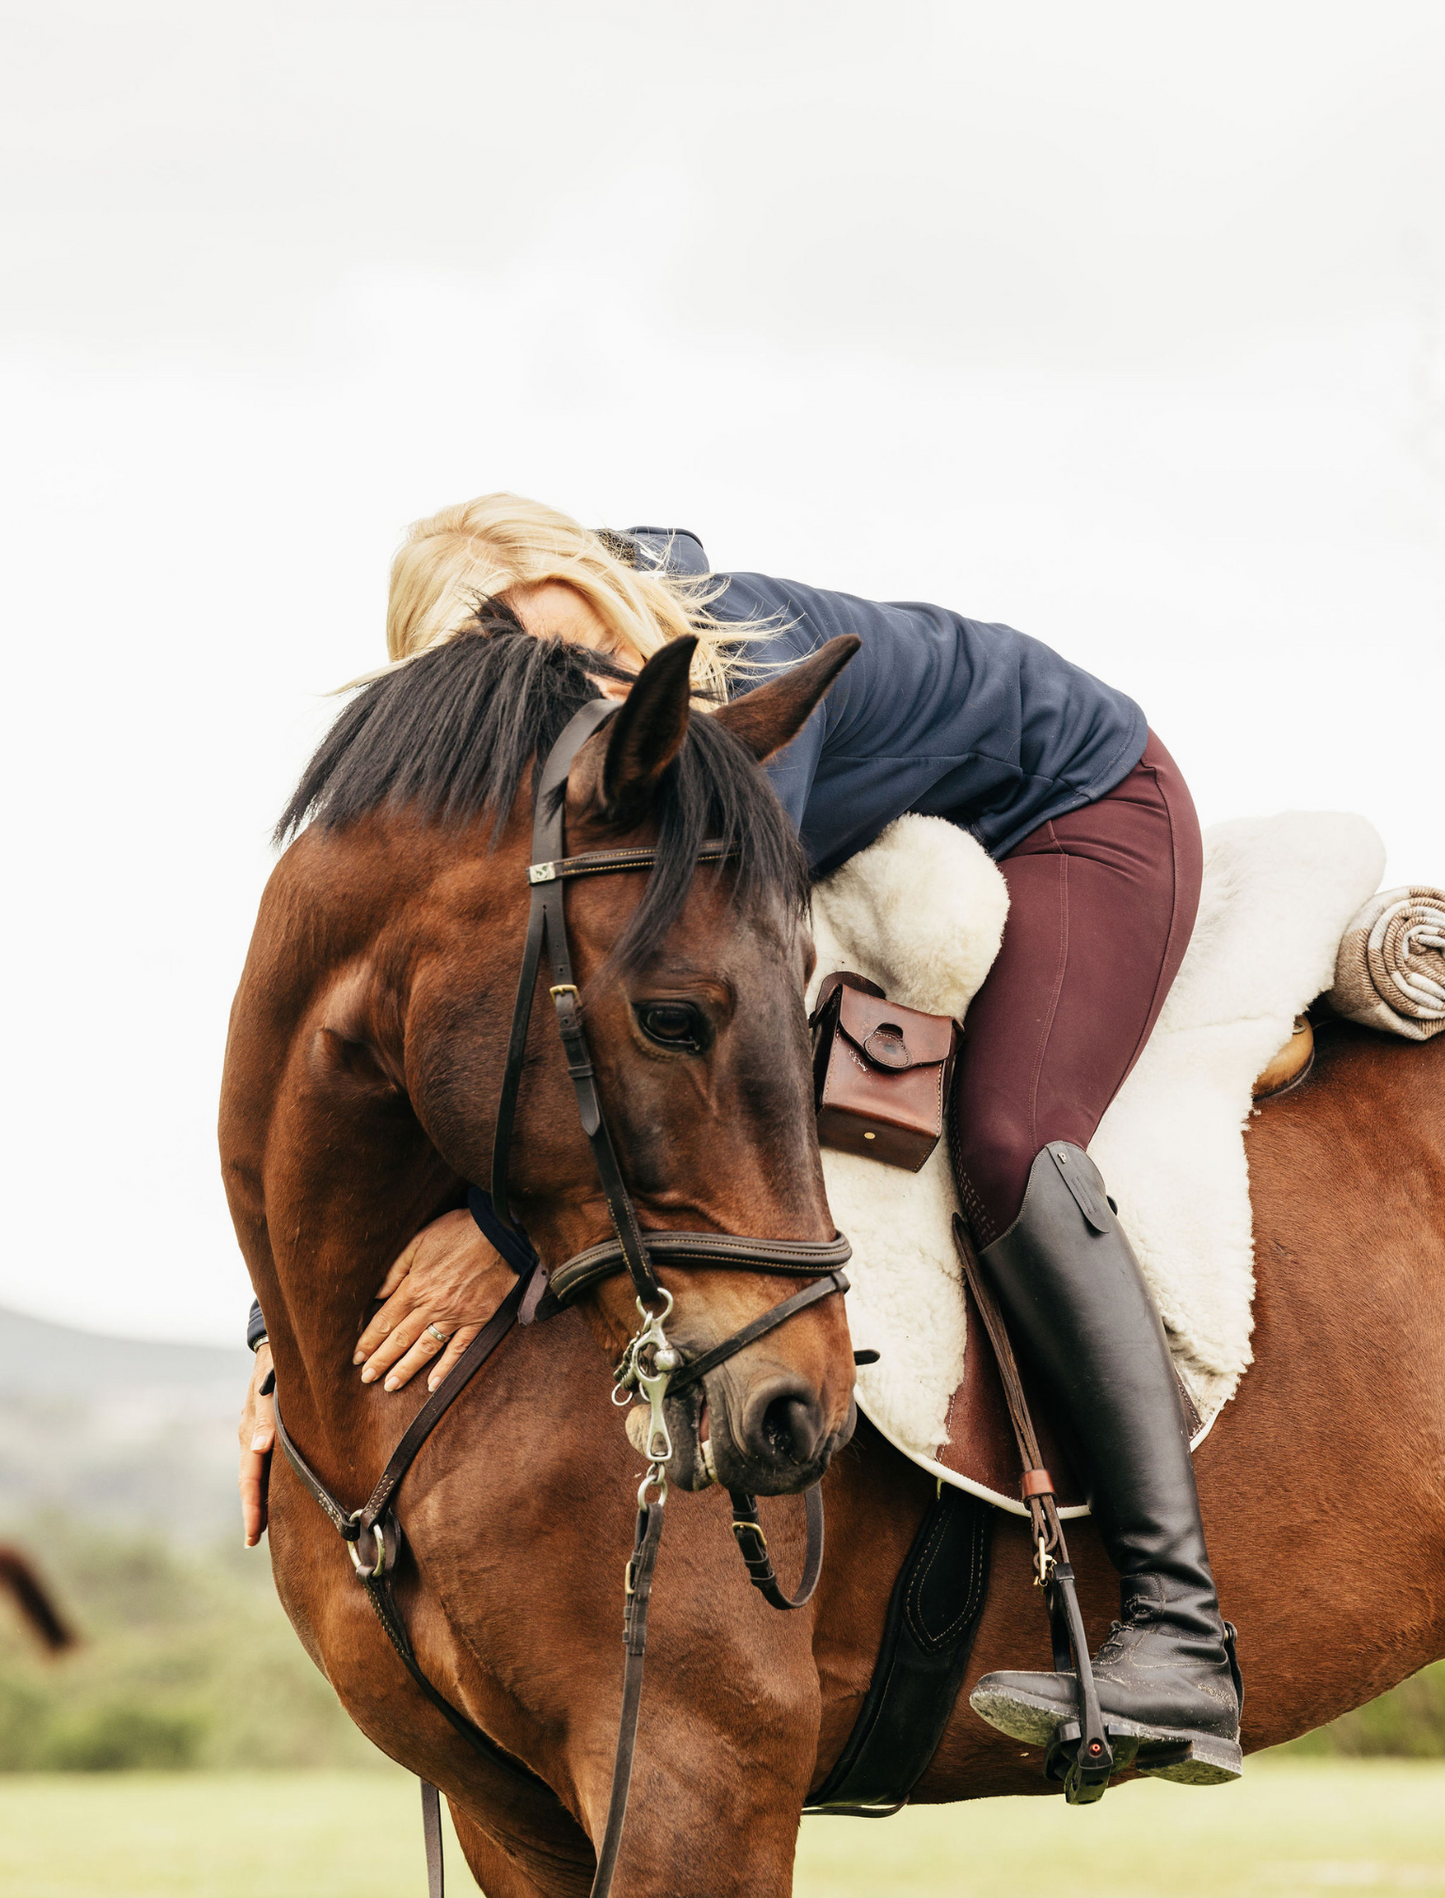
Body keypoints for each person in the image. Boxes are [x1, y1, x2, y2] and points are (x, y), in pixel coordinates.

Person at [239, 492, 1239, 1780]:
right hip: (899, 827)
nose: (576, 692)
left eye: (578, 653)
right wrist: (281, 1336)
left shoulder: (730, 692)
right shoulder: (546, 773)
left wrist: (506, 1238)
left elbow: (716, 987)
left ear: (598, 594)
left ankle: (1180, 1628)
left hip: (1081, 809)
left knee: (1007, 1140)